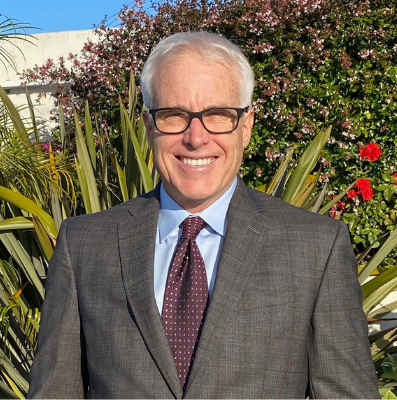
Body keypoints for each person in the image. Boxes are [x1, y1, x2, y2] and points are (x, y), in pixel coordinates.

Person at [28, 31, 379, 399]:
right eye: (173, 115)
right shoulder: (84, 245)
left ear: (246, 126)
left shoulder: (316, 248)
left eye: (218, 115)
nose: (196, 138)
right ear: (149, 127)